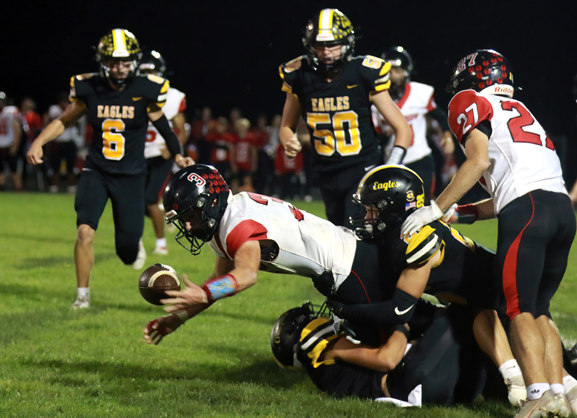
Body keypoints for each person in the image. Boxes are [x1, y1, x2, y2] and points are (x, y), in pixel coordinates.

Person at [401, 50, 576, 418]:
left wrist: (435, 208)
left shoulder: (469, 100)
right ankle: (563, 392)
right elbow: (507, 192)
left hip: (526, 211)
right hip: (561, 209)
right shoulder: (520, 109)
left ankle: (537, 395)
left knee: (518, 308)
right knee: (540, 308)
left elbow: (478, 161)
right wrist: (460, 212)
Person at [330, 165, 526, 407]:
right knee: (471, 309)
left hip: (499, 295)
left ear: (394, 207)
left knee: (478, 310)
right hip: (480, 294)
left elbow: (399, 310)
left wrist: (346, 310)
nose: (368, 217)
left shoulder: (416, 238)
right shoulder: (403, 232)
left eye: (373, 209)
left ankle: (513, 377)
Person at [143, 164, 398, 348]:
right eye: (183, 221)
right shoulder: (226, 218)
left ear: (209, 202)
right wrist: (177, 319)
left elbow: (246, 275)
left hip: (350, 267)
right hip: (340, 266)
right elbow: (219, 280)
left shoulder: (237, 223)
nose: (188, 227)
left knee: (386, 346)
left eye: (190, 217)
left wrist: (206, 293)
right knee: (370, 342)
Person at [27, 29, 192, 309]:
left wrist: (178, 155)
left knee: (127, 251)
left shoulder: (145, 89)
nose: (120, 68)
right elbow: (65, 120)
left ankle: (133, 245)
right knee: (84, 232)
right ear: (103, 62)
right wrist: (39, 141)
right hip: (97, 171)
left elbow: (165, 128)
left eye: (126, 62)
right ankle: (82, 297)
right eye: (114, 62)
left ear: (135, 61)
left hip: (131, 176)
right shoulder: (89, 87)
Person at [278, 8, 412, 227]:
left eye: (332, 44)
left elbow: (403, 128)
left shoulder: (363, 72)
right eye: (320, 45)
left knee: (356, 231)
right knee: (339, 231)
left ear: (347, 43)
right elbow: (286, 126)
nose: (326, 52)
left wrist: (390, 167)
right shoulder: (300, 75)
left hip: (362, 168)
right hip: (325, 172)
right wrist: (288, 141)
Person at [270, 301, 501, 406]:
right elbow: (388, 359)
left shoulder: (325, 369)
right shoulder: (327, 351)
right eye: (308, 319)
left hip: (434, 391)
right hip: (412, 382)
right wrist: (402, 320)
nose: (317, 317)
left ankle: (506, 389)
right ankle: (512, 383)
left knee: (477, 324)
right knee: (469, 303)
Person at [373, 46, 455, 199]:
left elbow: (439, 115)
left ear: (406, 72)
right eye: (389, 71)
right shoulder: (375, 98)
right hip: (392, 162)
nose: (392, 76)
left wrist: (447, 135)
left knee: (422, 204)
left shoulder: (419, 93)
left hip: (420, 159)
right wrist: (386, 134)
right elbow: (374, 137)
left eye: (397, 71)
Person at [139, 50, 187, 256]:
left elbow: (181, 130)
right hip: (138, 155)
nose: (147, 77)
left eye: (150, 72)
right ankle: (167, 216)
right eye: (143, 72)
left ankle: (161, 245)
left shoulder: (172, 96)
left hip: (161, 154)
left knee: (150, 198)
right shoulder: (132, 93)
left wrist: (172, 149)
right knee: (138, 201)